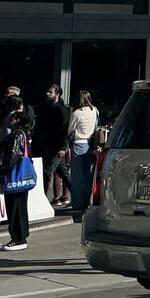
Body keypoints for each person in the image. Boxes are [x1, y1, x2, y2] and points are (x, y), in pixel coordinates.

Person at [0, 110, 33, 251]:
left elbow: (12, 156)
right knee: (20, 206)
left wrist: (2, 172)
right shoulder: (24, 133)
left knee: (14, 206)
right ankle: (20, 236)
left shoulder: (16, 134)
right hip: (21, 176)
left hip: (13, 175)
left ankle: (18, 238)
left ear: (16, 119)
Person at [67, 90, 100, 221]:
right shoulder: (95, 111)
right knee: (88, 175)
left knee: (77, 176)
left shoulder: (76, 113)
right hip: (90, 144)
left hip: (78, 143)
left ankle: (77, 203)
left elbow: (70, 129)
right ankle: (87, 200)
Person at [40, 85, 70, 211]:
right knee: (63, 172)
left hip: (57, 146)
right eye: (47, 91)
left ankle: (44, 199)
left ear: (57, 94)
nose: (47, 94)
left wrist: (63, 147)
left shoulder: (62, 109)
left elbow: (65, 130)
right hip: (48, 144)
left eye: (50, 92)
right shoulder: (47, 108)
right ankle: (79, 195)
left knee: (48, 171)